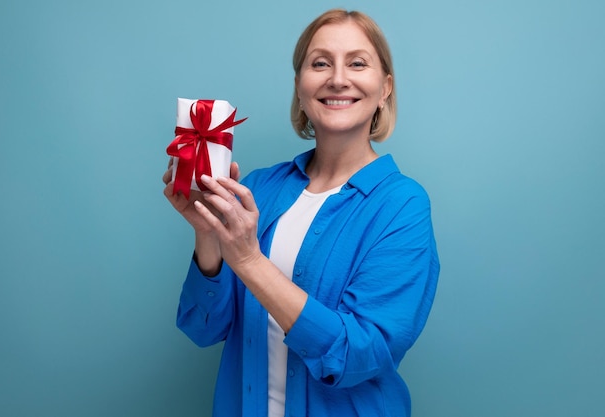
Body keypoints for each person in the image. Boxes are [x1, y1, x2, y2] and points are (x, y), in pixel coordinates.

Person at [163, 8, 439, 417]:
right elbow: (204, 328)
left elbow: (356, 355)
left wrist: (248, 260)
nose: (338, 78)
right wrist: (208, 232)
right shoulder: (258, 188)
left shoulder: (402, 206)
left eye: (357, 63)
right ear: (300, 86)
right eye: (320, 63)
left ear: (385, 88)